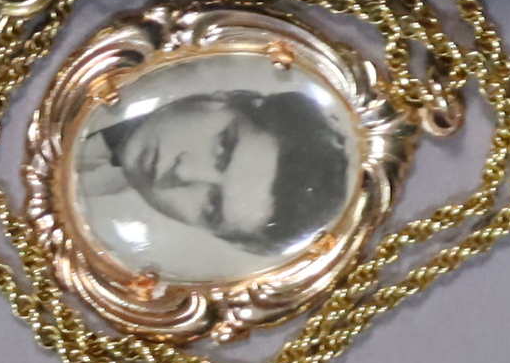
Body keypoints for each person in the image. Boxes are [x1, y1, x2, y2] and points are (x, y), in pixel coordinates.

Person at [81, 72, 355, 268]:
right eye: (223, 147)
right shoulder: (137, 70)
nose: (184, 174)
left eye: (212, 205)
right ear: (230, 99)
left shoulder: (88, 218)